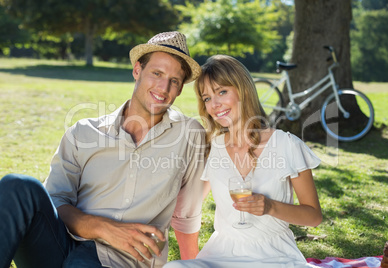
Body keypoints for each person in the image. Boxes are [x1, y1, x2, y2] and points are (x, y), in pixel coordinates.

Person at [0, 31, 206, 268]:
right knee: (18, 186)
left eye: (174, 81)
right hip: (58, 245)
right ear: (137, 71)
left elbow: (188, 213)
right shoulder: (84, 132)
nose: (163, 87)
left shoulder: (189, 136)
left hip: (119, 261)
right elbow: (55, 200)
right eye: (156, 73)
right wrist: (104, 228)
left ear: (180, 89)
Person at [164, 55, 322, 268]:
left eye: (222, 92)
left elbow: (313, 217)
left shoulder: (287, 144)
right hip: (221, 254)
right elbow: (189, 202)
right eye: (207, 98)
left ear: (243, 90)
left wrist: (270, 206)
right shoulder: (213, 147)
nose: (215, 104)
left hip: (274, 256)